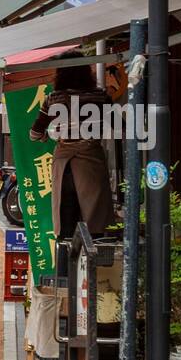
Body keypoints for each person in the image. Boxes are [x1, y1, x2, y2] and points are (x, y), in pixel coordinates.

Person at [29, 61, 114, 242]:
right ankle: (91, 264)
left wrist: (46, 136)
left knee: (65, 221)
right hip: (92, 161)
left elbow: (34, 134)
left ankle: (65, 266)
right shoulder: (101, 97)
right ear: (87, 73)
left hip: (64, 163)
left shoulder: (53, 98)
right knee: (95, 223)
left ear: (61, 74)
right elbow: (119, 128)